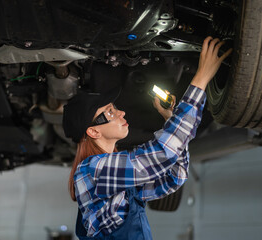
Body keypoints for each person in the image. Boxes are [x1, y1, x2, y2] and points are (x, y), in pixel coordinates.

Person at [62, 36, 232, 240]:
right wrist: (201, 79)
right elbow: (164, 154)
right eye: (110, 112)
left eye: (115, 108)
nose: (121, 113)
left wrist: (169, 117)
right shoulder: (92, 170)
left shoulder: (114, 178)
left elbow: (174, 177)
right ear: (93, 131)